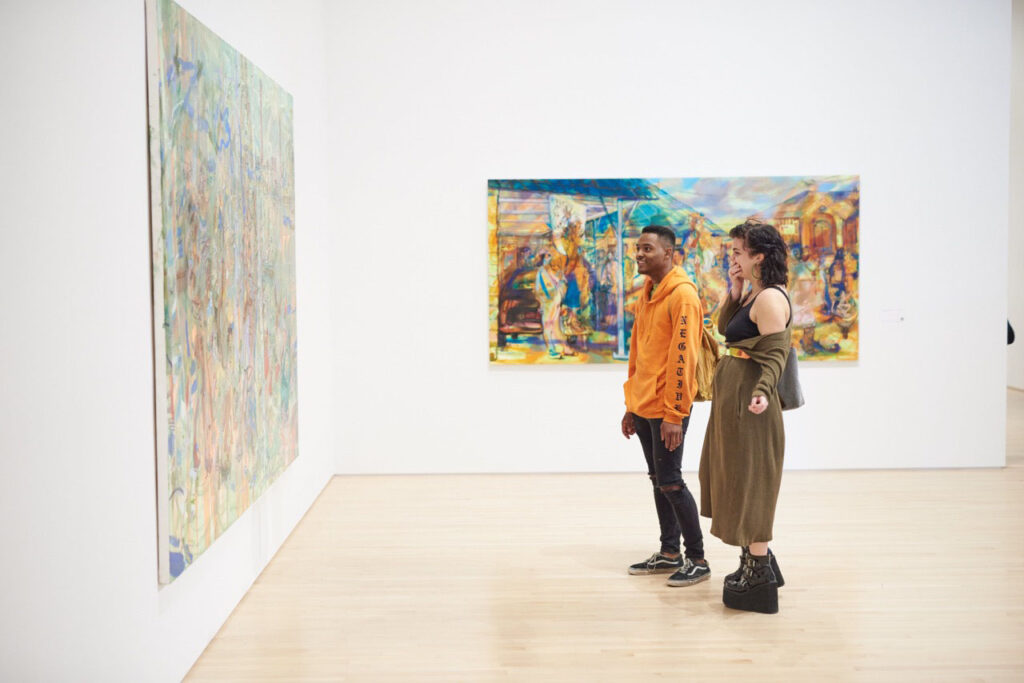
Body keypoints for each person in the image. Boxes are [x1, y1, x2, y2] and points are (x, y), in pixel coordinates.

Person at [699, 219, 792, 614]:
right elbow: (726, 331)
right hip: (734, 406)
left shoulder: (771, 299)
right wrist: (734, 291)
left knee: (753, 482)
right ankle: (753, 562)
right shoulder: (754, 294)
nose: (732, 258)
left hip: (750, 407)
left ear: (760, 256)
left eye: (738, 252)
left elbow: (776, 354)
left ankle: (758, 573)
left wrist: (760, 393)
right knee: (736, 477)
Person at [621, 225, 709, 587]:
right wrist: (630, 405)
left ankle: (698, 558)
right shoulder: (648, 291)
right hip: (643, 405)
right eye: (638, 249)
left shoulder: (683, 296)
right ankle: (669, 552)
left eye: (647, 249)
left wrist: (675, 414)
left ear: (669, 254)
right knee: (659, 480)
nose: (639, 255)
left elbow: (682, 360)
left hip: (667, 409)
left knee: (671, 481)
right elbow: (638, 353)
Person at [534, 252, 564, 359]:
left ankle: (555, 348)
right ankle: (551, 350)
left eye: (550, 257)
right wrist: (544, 301)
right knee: (547, 325)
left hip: (554, 302)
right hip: (548, 303)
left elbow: (557, 284)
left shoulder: (549, 271)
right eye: (547, 257)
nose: (549, 260)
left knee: (553, 326)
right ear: (543, 259)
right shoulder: (541, 272)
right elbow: (539, 290)